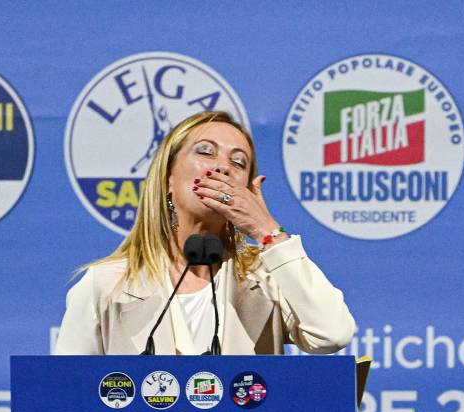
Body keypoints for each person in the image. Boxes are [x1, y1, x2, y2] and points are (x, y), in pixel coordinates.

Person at [55, 111, 355, 355]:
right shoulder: (106, 285)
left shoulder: (267, 277)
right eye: (206, 152)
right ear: (168, 178)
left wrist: (265, 230)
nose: (223, 167)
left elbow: (332, 334)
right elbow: (66, 400)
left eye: (238, 162)